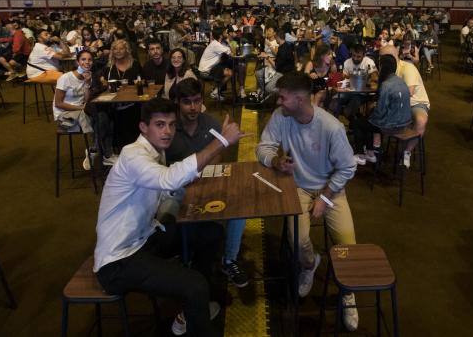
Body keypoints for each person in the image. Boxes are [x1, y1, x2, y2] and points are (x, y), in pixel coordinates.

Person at [94, 98, 246, 337]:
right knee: (195, 285)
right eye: (160, 124)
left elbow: (167, 186)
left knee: (211, 233)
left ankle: (191, 310)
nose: (167, 131)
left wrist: (187, 182)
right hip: (118, 261)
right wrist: (222, 142)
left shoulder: (156, 152)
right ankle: (195, 303)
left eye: (172, 125)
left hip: (145, 238)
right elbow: (168, 179)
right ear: (143, 127)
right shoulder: (132, 155)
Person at [256, 72, 359, 332]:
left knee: (348, 244)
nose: (278, 102)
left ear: (300, 100)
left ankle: (348, 293)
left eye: (283, 98)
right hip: (298, 188)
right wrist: (275, 161)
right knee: (297, 239)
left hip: (331, 189)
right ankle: (310, 263)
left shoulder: (331, 127)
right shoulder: (282, 117)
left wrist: (324, 197)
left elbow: (347, 168)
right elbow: (264, 147)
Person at [164, 78, 249, 288]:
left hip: (207, 182)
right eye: (187, 102)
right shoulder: (169, 128)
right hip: (177, 187)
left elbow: (217, 158)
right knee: (169, 215)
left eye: (197, 101)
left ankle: (229, 259)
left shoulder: (211, 123)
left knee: (240, 206)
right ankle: (184, 257)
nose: (193, 107)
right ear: (177, 103)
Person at [350, 55, 412, 165]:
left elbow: (380, 113)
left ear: (382, 67)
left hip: (392, 126)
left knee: (358, 122)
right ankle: (370, 153)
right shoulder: (400, 81)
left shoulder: (386, 85)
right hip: (405, 123)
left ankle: (361, 155)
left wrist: (373, 108)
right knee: (367, 120)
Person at [53, 50, 97, 170]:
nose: (87, 62)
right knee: (97, 119)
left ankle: (95, 148)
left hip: (80, 111)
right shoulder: (65, 78)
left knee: (102, 116)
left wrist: (87, 83)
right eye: (83, 59)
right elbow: (58, 103)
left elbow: (86, 100)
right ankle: (95, 148)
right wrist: (81, 107)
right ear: (77, 62)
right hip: (64, 114)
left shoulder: (88, 77)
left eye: (90, 60)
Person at [198, 27, 245, 100]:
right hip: (206, 71)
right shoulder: (216, 45)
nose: (227, 34)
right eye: (225, 33)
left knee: (228, 69)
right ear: (220, 36)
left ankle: (216, 90)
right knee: (229, 73)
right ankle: (215, 91)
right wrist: (229, 42)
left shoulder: (215, 43)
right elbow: (232, 53)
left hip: (208, 68)